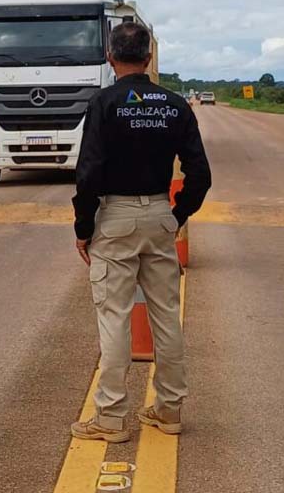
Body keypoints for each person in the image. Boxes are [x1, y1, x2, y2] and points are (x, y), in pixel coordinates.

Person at [70, 22, 212, 442]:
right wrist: (177, 214)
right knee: (166, 315)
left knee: (114, 317)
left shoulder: (105, 103)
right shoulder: (174, 105)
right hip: (158, 215)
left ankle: (111, 417)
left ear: (110, 57)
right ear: (149, 58)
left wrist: (84, 226)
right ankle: (169, 409)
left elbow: (89, 172)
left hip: (115, 218)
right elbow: (199, 174)